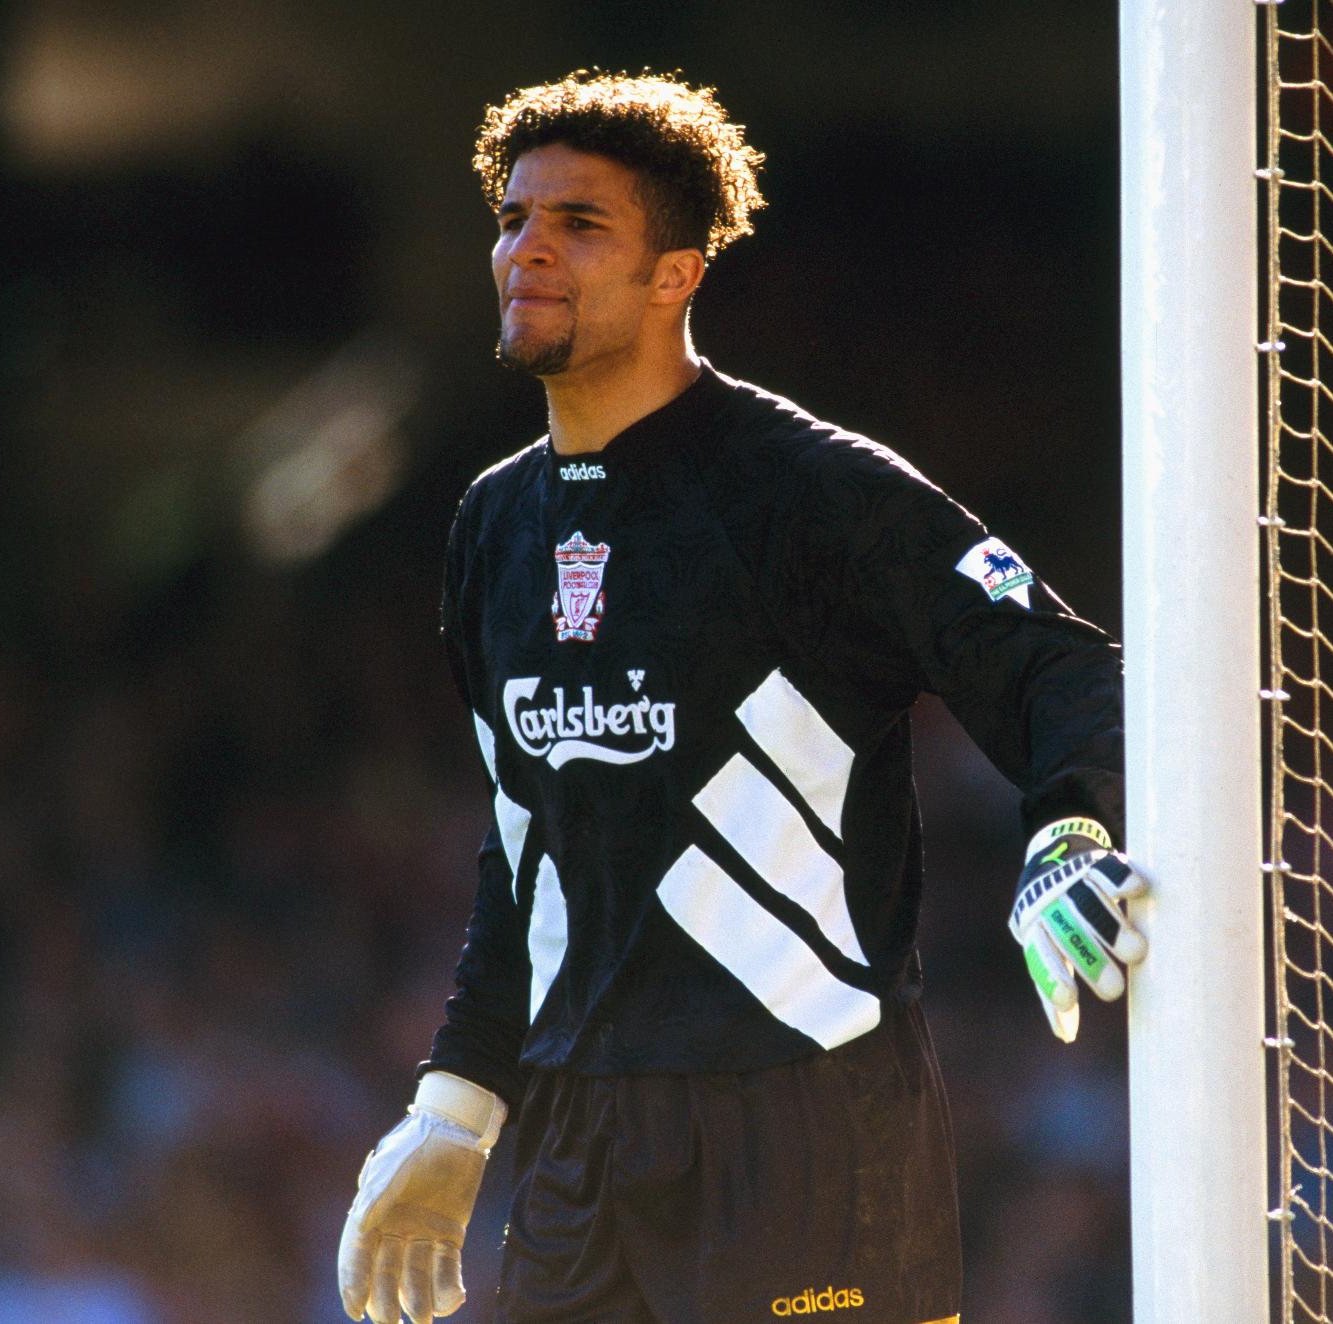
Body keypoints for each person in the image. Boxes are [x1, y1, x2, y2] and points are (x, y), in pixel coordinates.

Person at [335, 71, 1147, 1324]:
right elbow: (529, 850)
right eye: (512, 216)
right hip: (577, 1148)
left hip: (810, 1129)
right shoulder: (490, 526)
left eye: (579, 223)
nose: (526, 247)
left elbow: (1063, 664)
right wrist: (457, 1105)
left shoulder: (813, 495)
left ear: (679, 272)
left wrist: (1071, 824)